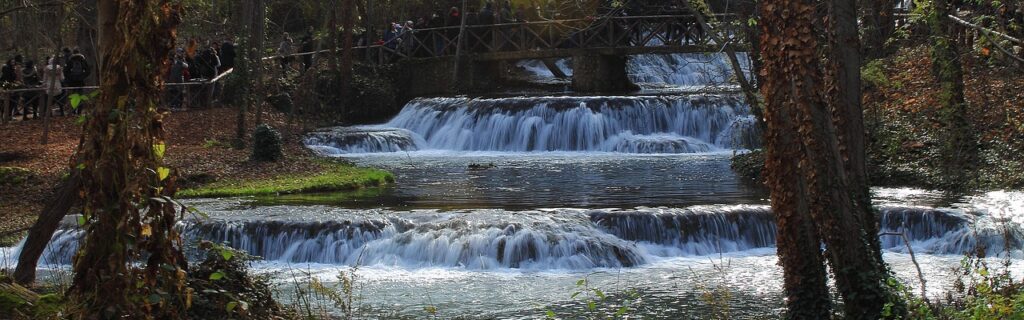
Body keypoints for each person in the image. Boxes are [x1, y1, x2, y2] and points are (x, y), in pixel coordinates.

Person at [64, 49, 90, 115]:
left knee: (72, 97)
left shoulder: (70, 60)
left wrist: (71, 77)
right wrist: (82, 76)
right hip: (80, 82)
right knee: (80, 97)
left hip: (72, 82)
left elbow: (65, 71)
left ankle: (73, 111)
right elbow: (88, 71)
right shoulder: (83, 60)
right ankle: (79, 112)